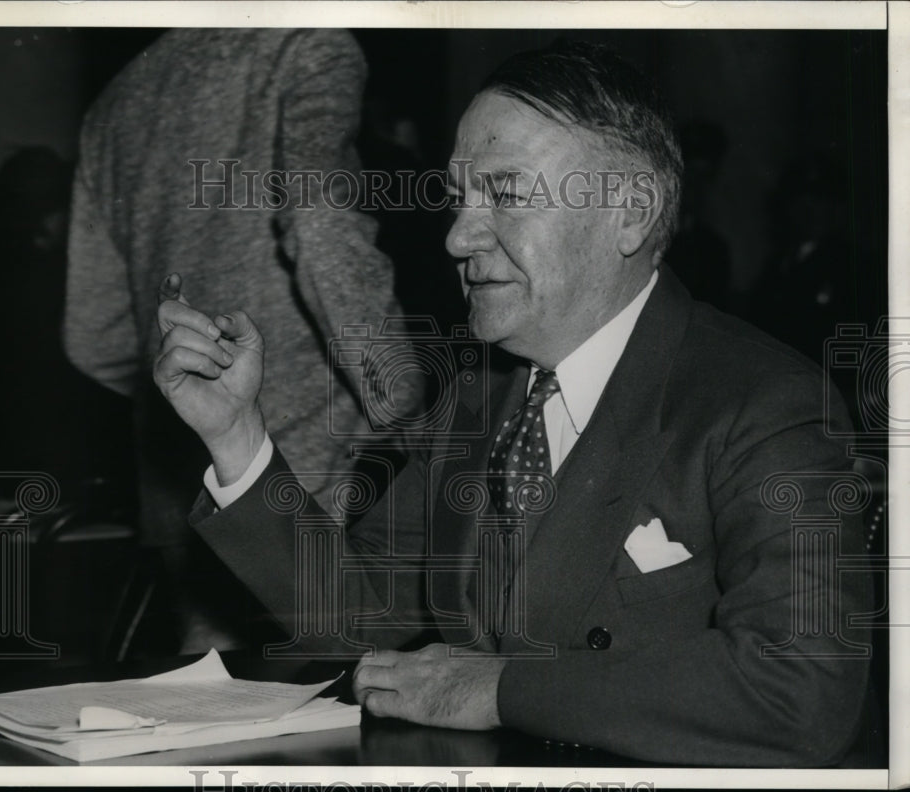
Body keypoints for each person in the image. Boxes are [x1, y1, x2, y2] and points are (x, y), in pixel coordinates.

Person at [152, 41, 872, 765]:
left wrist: (500, 689)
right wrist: (238, 436)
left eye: (507, 193)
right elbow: (355, 619)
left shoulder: (768, 405)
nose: (459, 237)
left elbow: (801, 693)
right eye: (460, 198)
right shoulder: (479, 398)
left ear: (631, 212)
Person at [64, 28, 418, 652]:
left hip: (179, 482)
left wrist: (184, 403)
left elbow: (91, 333)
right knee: (340, 706)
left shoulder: (116, 99)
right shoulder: (307, 46)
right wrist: (401, 397)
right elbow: (317, 219)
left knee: (211, 712)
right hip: (306, 466)